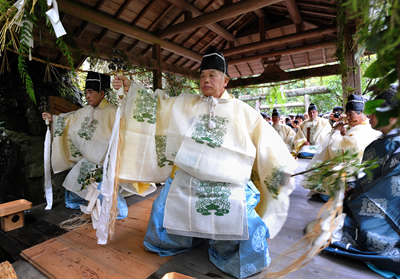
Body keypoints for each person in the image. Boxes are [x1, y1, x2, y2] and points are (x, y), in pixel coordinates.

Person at [113, 46, 297, 279]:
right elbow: (157, 106)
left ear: (225, 80)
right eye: (202, 76)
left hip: (228, 184)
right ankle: (180, 240)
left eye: (212, 75)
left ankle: (229, 253)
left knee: (246, 224)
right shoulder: (186, 104)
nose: (206, 80)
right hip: (188, 177)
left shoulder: (242, 111)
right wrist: (130, 88)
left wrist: (282, 168)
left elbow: (268, 145)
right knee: (162, 208)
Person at [324, 85, 400, 277]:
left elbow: (389, 191)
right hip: (365, 196)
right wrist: (355, 188)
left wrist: (357, 194)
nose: (368, 114)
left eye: (374, 110)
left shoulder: (394, 144)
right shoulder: (380, 141)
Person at [42, 71, 136, 219]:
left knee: (115, 208)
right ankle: (89, 202)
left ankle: (106, 203)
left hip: (103, 167)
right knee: (71, 192)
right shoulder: (86, 110)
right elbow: (70, 120)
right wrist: (53, 118)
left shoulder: (113, 112)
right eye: (86, 92)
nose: (87, 96)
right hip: (87, 163)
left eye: (91, 92)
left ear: (102, 93)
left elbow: (125, 135)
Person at [301, 94, 382, 200]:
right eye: (347, 114)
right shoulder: (362, 127)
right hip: (360, 170)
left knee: (324, 188)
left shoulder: (360, 130)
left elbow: (339, 151)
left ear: (362, 113)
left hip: (356, 174)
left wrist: (336, 132)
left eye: (351, 114)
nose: (348, 118)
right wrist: (343, 134)